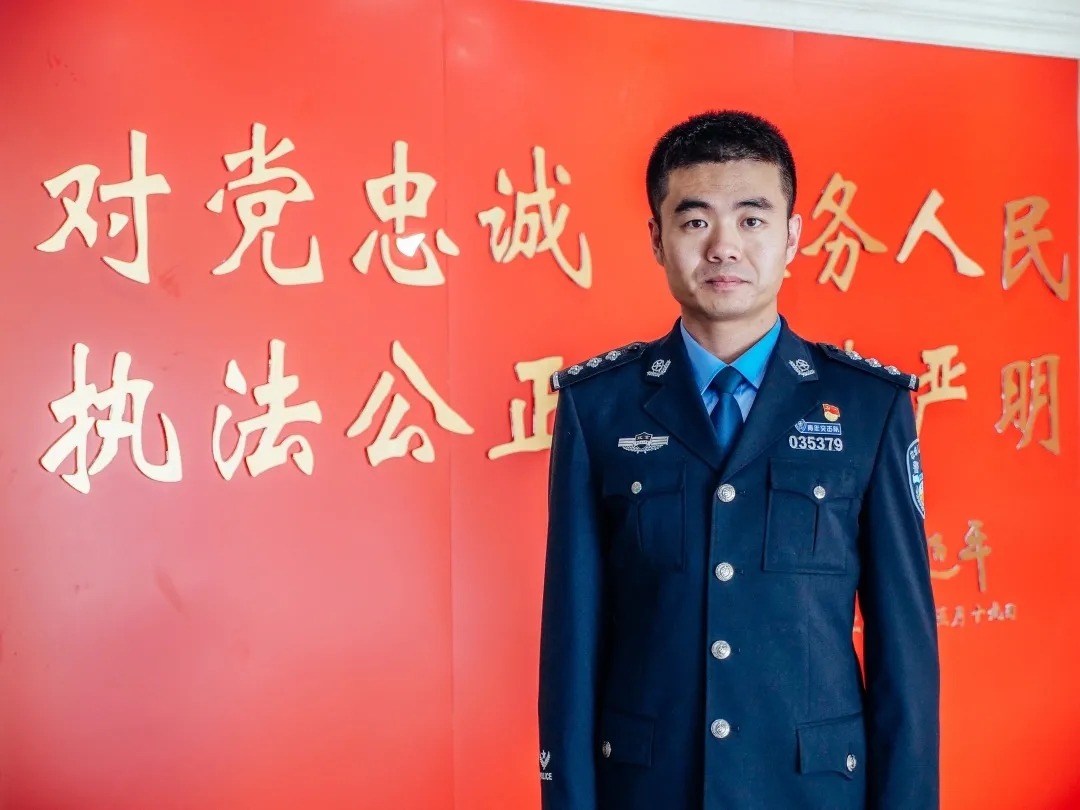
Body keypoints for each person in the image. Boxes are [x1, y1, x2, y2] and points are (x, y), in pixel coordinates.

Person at [536, 110, 940, 810]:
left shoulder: (867, 407)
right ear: (657, 239)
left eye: (752, 220)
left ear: (792, 237)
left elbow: (904, 645)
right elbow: (571, 636)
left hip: (812, 790)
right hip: (649, 787)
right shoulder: (597, 407)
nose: (724, 247)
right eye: (696, 221)